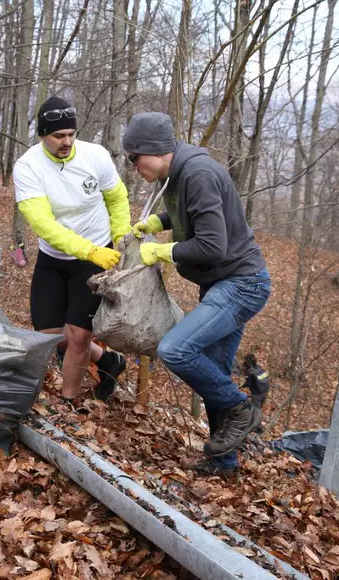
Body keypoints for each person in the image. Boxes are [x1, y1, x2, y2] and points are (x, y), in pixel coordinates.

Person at [123, 112, 271, 477]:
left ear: (153, 150)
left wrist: (162, 251)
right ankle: (224, 463)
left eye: (133, 157)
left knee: (176, 350)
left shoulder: (198, 174)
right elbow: (194, 214)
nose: (133, 166)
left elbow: (212, 245)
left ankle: (242, 409)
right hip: (224, 283)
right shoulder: (177, 173)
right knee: (214, 373)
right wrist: (160, 220)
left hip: (241, 284)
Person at [13, 96, 131, 403]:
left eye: (71, 134)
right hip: (56, 258)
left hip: (96, 257)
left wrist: (119, 238)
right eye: (58, 136)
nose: (67, 141)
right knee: (50, 337)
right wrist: (89, 251)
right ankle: (108, 361)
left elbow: (117, 198)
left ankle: (67, 403)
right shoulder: (28, 167)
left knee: (79, 335)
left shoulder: (96, 156)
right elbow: (44, 225)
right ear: (42, 135)